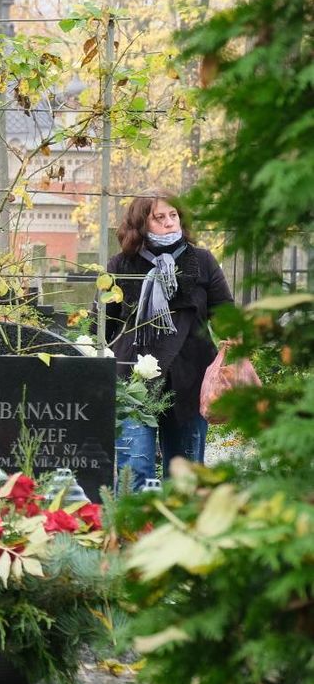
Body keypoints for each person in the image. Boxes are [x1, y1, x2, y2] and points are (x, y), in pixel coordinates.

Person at [106, 190, 233, 486]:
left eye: (173, 216)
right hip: (134, 381)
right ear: (141, 224)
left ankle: (183, 530)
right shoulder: (122, 264)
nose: (169, 223)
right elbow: (104, 321)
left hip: (189, 379)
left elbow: (225, 312)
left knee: (185, 475)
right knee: (134, 470)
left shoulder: (201, 260)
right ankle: (133, 532)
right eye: (159, 217)